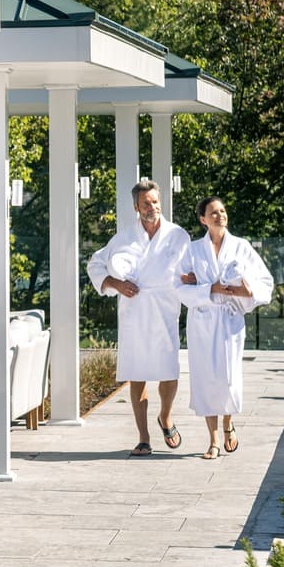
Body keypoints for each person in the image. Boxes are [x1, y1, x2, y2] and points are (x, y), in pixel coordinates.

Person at [87, 179, 191, 456]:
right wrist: (114, 283)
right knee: (137, 375)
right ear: (136, 206)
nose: (152, 207)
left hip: (165, 310)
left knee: (169, 371)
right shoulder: (123, 238)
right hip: (134, 313)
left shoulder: (178, 235)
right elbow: (94, 264)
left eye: (155, 202)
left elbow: (192, 268)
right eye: (146, 203)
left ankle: (165, 417)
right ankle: (143, 436)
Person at [175, 196, 273, 459]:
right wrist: (209, 289)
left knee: (228, 378)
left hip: (229, 321)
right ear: (203, 219)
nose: (220, 215)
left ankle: (228, 424)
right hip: (203, 321)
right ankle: (213, 440)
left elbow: (265, 281)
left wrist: (245, 289)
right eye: (213, 212)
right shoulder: (193, 250)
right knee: (205, 378)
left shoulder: (241, 247)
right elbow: (178, 287)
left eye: (223, 211)